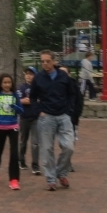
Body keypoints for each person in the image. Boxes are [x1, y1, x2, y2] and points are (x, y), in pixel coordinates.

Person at [31, 50, 76, 192]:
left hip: (63, 115)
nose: (45, 64)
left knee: (69, 147)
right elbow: (32, 97)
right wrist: (39, 111)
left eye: (47, 61)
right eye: (42, 61)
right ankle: (51, 179)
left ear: (54, 61)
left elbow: (72, 94)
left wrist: (69, 110)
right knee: (47, 149)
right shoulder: (38, 78)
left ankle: (61, 172)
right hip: (46, 116)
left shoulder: (63, 76)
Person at [0, 74, 24, 190]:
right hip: (0, 127)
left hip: (13, 126)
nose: (7, 85)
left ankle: (14, 180)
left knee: (14, 153)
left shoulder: (15, 95)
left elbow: (21, 110)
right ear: (0, 84)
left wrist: (15, 107)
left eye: (9, 82)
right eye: (5, 83)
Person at [18, 67, 41, 176]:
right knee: (23, 141)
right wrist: (24, 101)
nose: (28, 76)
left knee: (35, 142)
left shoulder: (38, 87)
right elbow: (18, 100)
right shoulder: (21, 87)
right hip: (24, 117)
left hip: (36, 118)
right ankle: (21, 160)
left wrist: (32, 101)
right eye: (27, 74)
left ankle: (35, 165)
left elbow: (40, 100)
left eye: (31, 74)